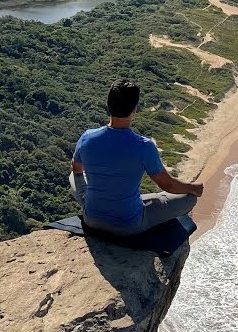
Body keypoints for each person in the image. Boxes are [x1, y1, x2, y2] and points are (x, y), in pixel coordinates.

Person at [69, 79, 203, 236]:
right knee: (189, 199)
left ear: (108, 105)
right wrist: (193, 188)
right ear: (134, 110)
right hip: (128, 224)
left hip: (91, 219)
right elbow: (167, 185)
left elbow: (76, 167)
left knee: (74, 176)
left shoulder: (87, 137)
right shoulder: (144, 146)